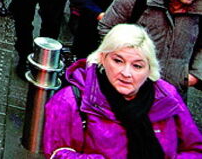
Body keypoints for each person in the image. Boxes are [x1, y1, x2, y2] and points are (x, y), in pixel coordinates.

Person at [44, 24, 202, 158]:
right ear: (102, 58)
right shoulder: (70, 100)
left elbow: (195, 149)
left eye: (137, 66)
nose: (126, 73)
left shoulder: (166, 95)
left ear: (149, 70)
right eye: (118, 61)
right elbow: (58, 152)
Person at [99, 0, 202, 95]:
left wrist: (195, 76)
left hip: (172, 94)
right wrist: (121, 68)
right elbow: (106, 29)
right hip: (128, 89)